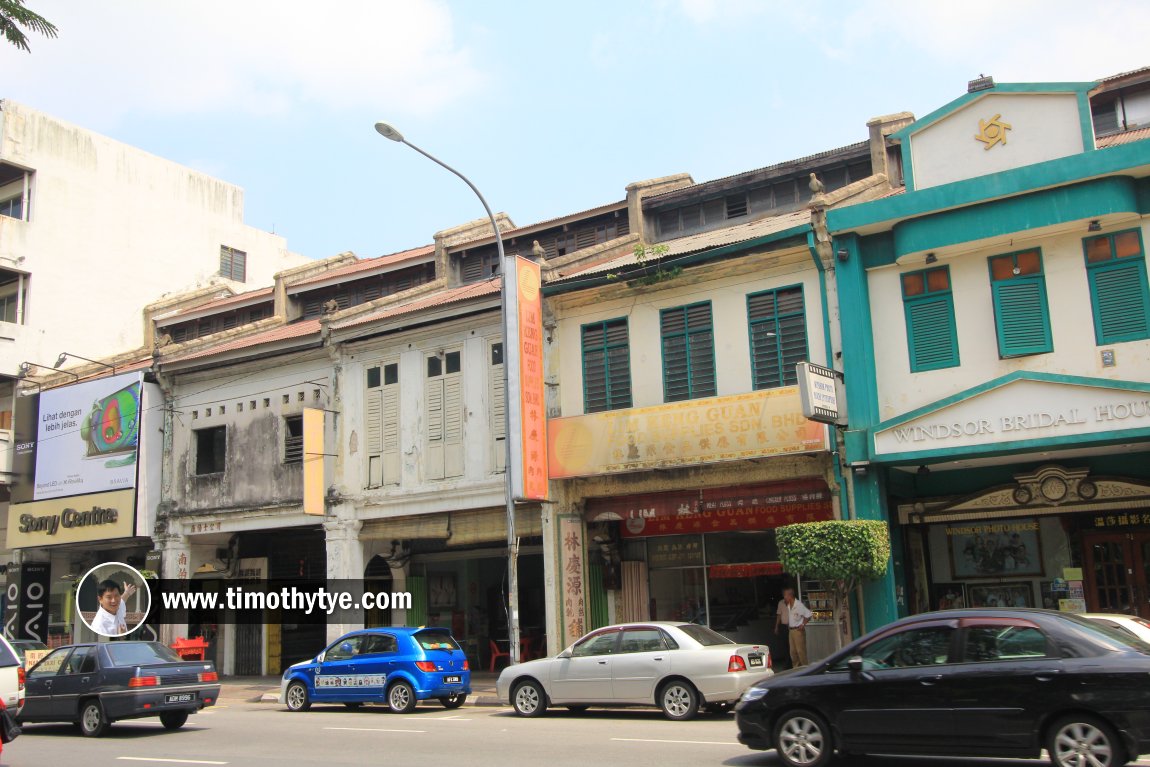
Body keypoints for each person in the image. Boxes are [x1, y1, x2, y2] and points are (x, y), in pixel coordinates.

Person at [781, 588, 812, 668]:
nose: (784, 597)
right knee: (793, 652)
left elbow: (808, 615)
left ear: (790, 595)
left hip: (798, 630)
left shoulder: (798, 605)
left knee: (800, 651)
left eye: (785, 595)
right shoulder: (788, 605)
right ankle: (796, 668)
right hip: (791, 630)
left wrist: (803, 624)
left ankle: (805, 668)